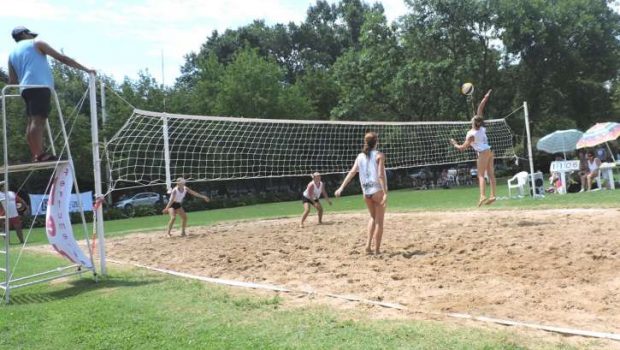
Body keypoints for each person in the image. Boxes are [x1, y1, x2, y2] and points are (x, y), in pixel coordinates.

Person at [8, 26, 96, 162]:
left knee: (31, 121)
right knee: (38, 121)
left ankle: (36, 154)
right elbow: (62, 58)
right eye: (30, 34)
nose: (33, 37)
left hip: (25, 89)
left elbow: (13, 81)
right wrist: (86, 70)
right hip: (39, 86)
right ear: (24, 34)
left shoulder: (12, 54)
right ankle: (40, 155)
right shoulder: (37, 44)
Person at [335, 132, 388, 255]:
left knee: (372, 218)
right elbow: (380, 175)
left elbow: (352, 172)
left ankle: (368, 246)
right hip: (377, 191)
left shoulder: (360, 156)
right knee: (379, 221)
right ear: (376, 142)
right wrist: (385, 192)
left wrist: (341, 187)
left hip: (366, 193)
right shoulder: (379, 155)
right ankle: (377, 250)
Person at [450, 89, 497, 206]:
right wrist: (486, 97)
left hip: (483, 153)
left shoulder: (471, 134)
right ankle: (493, 196)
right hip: (490, 151)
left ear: (473, 122)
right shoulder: (481, 128)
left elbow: (462, 148)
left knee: (481, 175)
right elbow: (480, 109)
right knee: (491, 174)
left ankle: (482, 196)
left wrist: (454, 143)